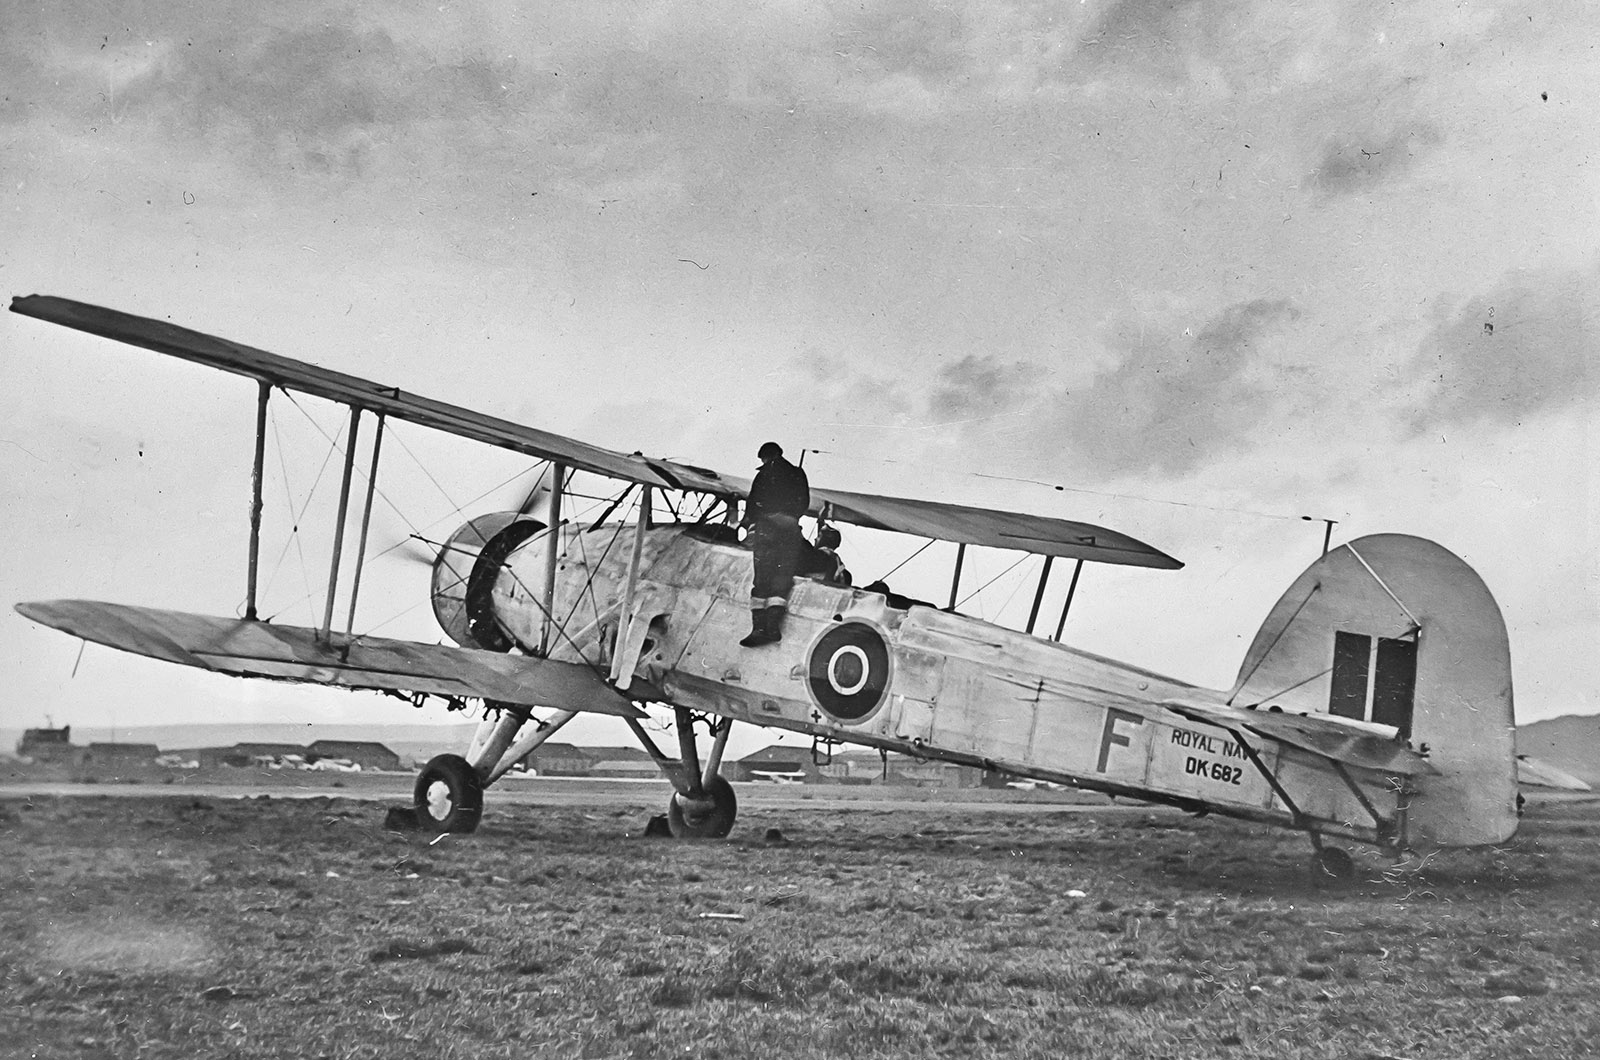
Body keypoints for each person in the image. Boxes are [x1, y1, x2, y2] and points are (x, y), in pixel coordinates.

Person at [739, 441, 809, 646]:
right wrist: (790, 518)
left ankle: (759, 630)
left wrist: (752, 522)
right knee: (782, 577)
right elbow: (803, 502)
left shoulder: (763, 474)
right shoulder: (798, 473)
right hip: (790, 529)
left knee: (762, 580)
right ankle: (773, 626)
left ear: (765, 457)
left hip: (768, 529)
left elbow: (753, 504)